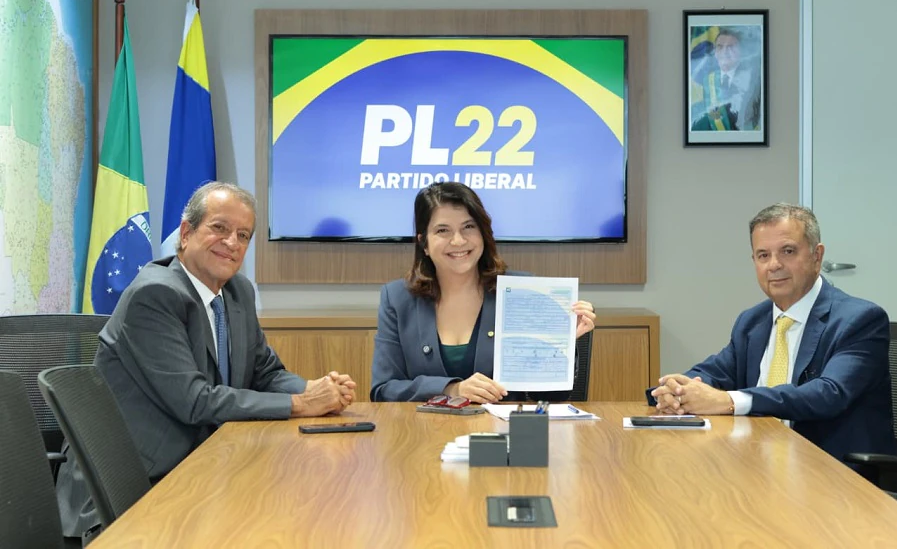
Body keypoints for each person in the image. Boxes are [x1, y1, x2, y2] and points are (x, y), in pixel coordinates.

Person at [57, 182, 357, 537]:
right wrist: (302, 404)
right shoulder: (154, 295)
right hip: (133, 487)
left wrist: (318, 390)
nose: (232, 242)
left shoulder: (237, 291)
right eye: (219, 228)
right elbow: (195, 402)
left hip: (204, 465)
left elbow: (265, 372)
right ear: (186, 233)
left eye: (243, 235)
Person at [650, 203, 896, 464]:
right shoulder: (752, 321)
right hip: (758, 462)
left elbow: (828, 394)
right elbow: (714, 372)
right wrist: (677, 391)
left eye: (788, 251)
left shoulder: (859, 320)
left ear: (817, 256)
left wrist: (730, 401)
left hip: (833, 471)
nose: (774, 265)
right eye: (763, 255)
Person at [370, 182, 596, 403]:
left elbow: (550, 397)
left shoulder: (522, 292)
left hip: (503, 427)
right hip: (422, 427)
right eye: (442, 230)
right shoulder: (397, 298)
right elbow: (384, 389)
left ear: (484, 233)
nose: (458, 240)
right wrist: (452, 389)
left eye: (469, 227)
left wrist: (561, 343)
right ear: (424, 243)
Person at [690, 27, 761, 132]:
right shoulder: (707, 82)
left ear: (740, 51)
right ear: (715, 53)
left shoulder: (753, 80)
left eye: (730, 47)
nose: (725, 52)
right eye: (720, 47)